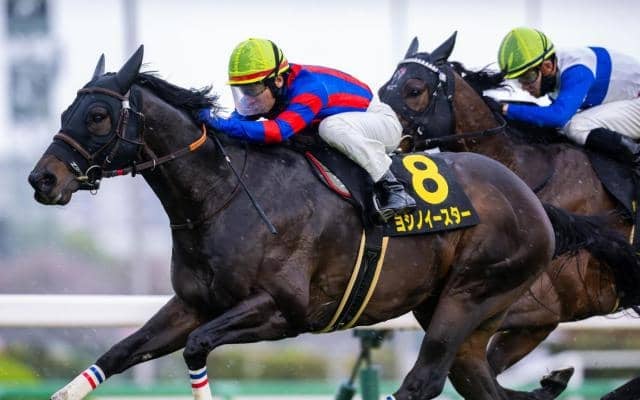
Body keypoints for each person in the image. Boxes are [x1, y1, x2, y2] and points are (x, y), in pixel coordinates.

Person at [197, 38, 415, 221]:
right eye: (243, 90)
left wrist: (220, 123)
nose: (248, 98)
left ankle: (394, 188)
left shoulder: (310, 89)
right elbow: (237, 126)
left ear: (278, 80)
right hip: (352, 125)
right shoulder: (269, 91)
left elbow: (277, 131)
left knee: (329, 128)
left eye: (253, 89)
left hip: (381, 123)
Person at [497, 27, 640, 174]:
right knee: (567, 129)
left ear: (547, 66)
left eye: (527, 77)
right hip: (631, 101)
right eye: (518, 80)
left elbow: (559, 116)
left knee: (577, 126)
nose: (524, 86)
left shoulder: (577, 70)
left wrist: (507, 109)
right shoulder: (556, 74)